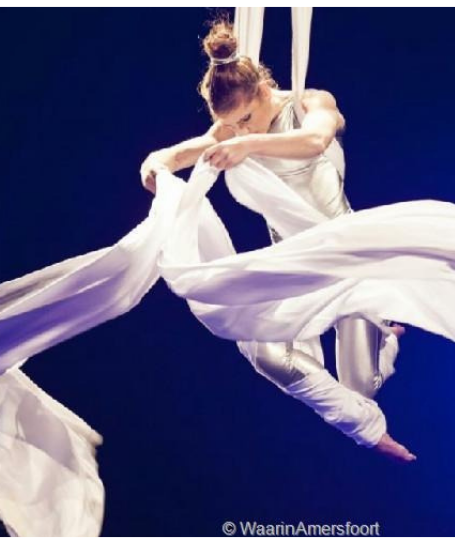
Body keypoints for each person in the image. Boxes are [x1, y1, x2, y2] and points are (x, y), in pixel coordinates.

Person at [139, 20, 416, 462]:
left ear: (266, 90)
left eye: (246, 119)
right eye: (231, 126)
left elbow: (315, 139)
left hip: (347, 258)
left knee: (361, 385)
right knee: (267, 355)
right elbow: (177, 154)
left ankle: (387, 338)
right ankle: (364, 425)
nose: (241, 133)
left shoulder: (310, 103)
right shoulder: (233, 128)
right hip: (291, 263)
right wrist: (155, 166)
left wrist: (251, 146)